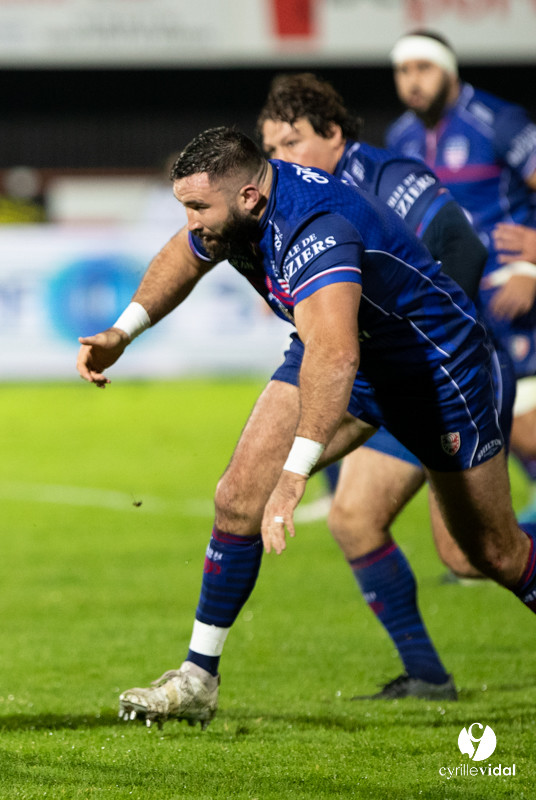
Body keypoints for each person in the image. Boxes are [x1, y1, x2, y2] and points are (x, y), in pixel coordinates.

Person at [76, 126, 536, 730]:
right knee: (237, 497)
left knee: (491, 553)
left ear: (249, 198)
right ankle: (197, 678)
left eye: (197, 208)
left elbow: (335, 355)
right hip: (348, 355)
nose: (190, 223)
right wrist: (123, 331)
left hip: (436, 375)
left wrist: (294, 476)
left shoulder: (315, 227)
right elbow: (183, 257)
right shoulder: (230, 217)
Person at [257, 72, 509, 699]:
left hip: (442, 373)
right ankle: (426, 677)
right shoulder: (298, 209)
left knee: (475, 553)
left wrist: (421, 344)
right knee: (354, 519)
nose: (280, 159)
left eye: (292, 142)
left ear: (333, 134)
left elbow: (463, 250)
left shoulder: (384, 175)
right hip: (389, 381)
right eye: (271, 149)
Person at [385, 30, 536, 522]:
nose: (412, 81)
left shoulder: (498, 121)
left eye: (423, 68)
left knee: (521, 424)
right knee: (489, 420)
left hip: (514, 295)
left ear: (449, 71)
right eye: (403, 71)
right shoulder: (401, 138)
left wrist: (532, 265)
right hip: (454, 302)